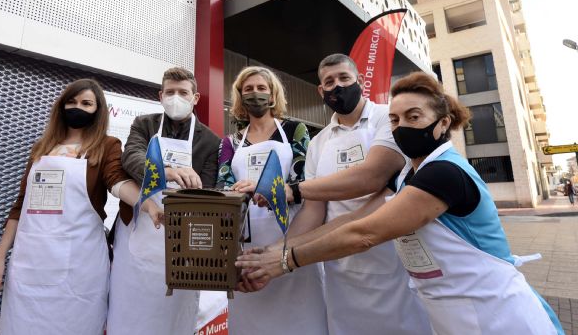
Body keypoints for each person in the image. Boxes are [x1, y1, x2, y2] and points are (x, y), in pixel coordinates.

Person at [237, 72, 563, 335]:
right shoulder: (405, 177)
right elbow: (347, 222)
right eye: (394, 120)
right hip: (453, 317)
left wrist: (285, 261)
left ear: (443, 123)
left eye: (413, 116)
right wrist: (275, 250)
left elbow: (363, 234)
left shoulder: (444, 174)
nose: (401, 126)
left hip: (500, 315)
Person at [0, 79, 153, 335]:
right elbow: (19, 207)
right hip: (30, 262)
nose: (78, 108)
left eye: (86, 103)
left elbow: (116, 181)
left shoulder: (106, 146)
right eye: (71, 102)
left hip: (79, 265)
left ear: (97, 110)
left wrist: (146, 203)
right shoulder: (41, 148)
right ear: (61, 106)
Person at [279, 54, 431, 335]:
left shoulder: (389, 118)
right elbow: (313, 210)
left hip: (391, 256)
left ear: (359, 80)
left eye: (344, 78)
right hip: (338, 261)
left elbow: (371, 177)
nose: (337, 86)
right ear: (320, 90)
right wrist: (281, 249)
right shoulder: (318, 142)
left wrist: (294, 189)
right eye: (329, 82)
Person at [107, 67, 221, 335]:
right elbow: (131, 157)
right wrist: (167, 171)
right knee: (127, 314)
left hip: (182, 240)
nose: (175, 98)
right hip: (137, 232)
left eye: (183, 92)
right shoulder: (144, 124)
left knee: (174, 318)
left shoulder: (210, 140)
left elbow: (208, 191)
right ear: (160, 96)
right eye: (170, 92)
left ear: (195, 98)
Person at [217, 66, 327, 335]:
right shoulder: (230, 142)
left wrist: (265, 187)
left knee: (300, 317)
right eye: (248, 89)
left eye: (261, 88)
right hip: (247, 241)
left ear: (273, 95)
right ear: (240, 96)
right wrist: (237, 192)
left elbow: (304, 179)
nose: (255, 93)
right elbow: (223, 186)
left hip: (292, 233)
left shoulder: (295, 130)